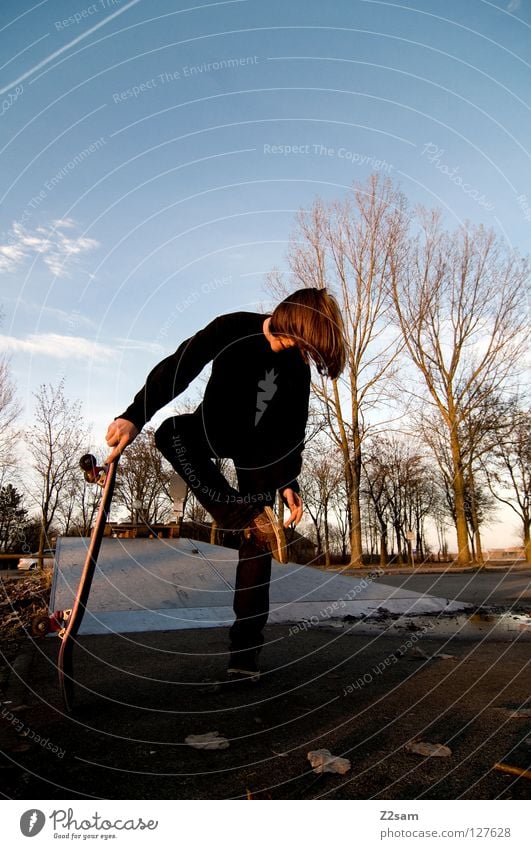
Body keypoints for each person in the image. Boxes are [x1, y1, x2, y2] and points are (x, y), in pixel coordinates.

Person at [105, 287, 346, 681]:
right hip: (211, 429)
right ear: (285, 317)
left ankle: (245, 656)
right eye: (291, 340)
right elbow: (179, 368)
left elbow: (292, 428)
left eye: (301, 348)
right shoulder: (232, 327)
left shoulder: (297, 368)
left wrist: (288, 480)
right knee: (170, 433)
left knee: (257, 541)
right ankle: (239, 514)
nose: (290, 350)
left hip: (259, 452)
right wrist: (135, 415)